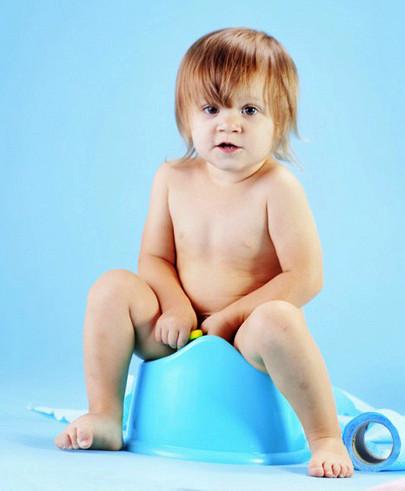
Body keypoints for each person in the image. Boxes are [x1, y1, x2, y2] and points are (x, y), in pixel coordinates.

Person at [54, 27, 353, 479]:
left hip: (246, 338)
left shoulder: (278, 188)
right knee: (112, 288)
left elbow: (305, 276)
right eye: (211, 109)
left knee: (280, 319)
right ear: (185, 117)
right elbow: (154, 258)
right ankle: (105, 415)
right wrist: (175, 306)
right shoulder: (172, 177)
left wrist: (231, 318)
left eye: (249, 110)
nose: (228, 124)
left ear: (280, 119)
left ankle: (325, 437)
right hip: (176, 331)